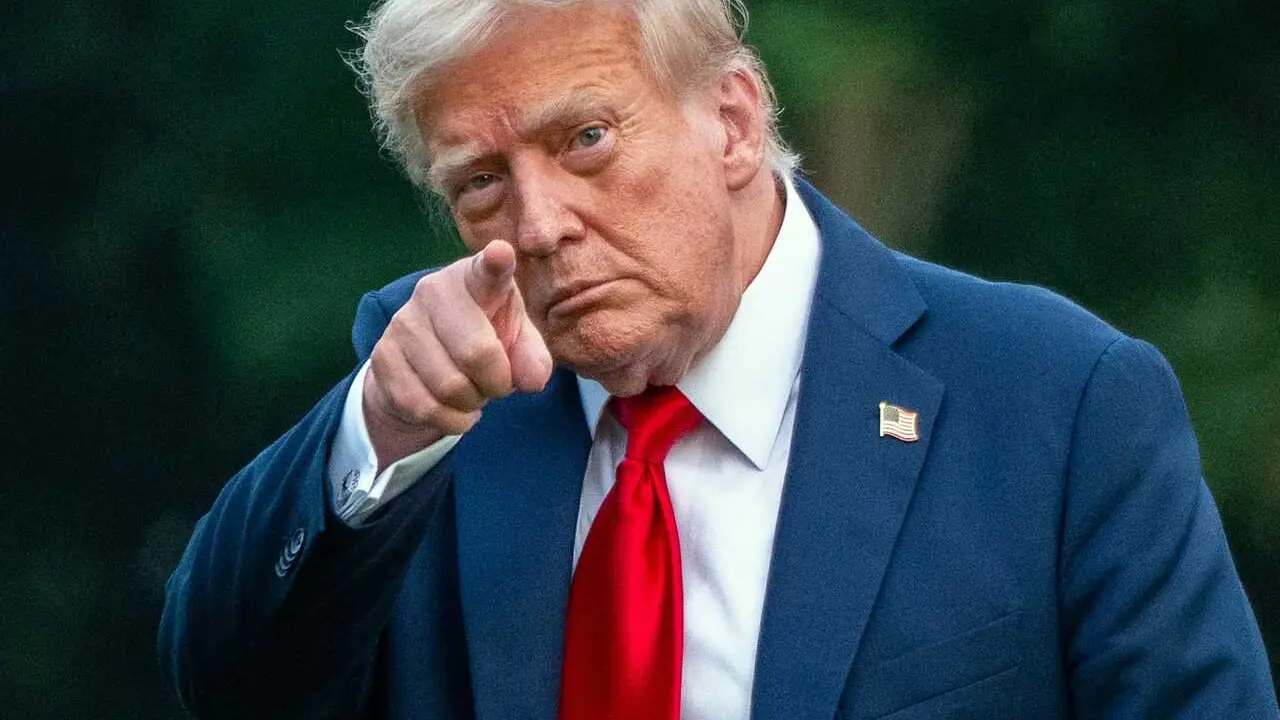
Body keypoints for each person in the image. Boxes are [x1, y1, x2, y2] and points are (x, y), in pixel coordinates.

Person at [158, 0, 1279, 718]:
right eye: (480, 183)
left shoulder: (1057, 400)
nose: (536, 225)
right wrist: (379, 430)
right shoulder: (438, 389)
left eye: (583, 139)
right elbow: (222, 683)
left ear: (732, 121)